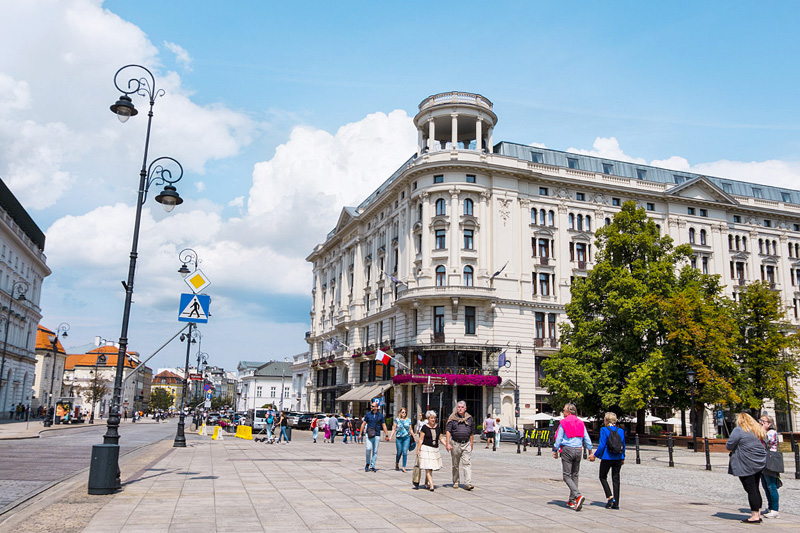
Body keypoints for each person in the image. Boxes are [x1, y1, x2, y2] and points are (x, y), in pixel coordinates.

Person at [727, 412, 767, 524]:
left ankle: (754, 516)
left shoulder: (739, 430)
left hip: (745, 464)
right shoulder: (757, 430)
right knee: (755, 488)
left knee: (751, 490)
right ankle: (758, 513)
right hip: (759, 463)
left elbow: (729, 445)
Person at [552, 403, 592, 511]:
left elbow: (559, 438)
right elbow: (587, 438)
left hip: (567, 449)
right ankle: (572, 500)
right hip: (579, 450)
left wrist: (555, 449)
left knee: (566, 475)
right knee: (575, 475)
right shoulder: (581, 422)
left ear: (569, 412)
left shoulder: (563, 423)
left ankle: (578, 495)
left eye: (564, 410)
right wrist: (590, 450)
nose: (563, 412)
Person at [589, 412, 625, 509]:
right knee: (616, 479)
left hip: (607, 457)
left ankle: (610, 496)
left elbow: (602, 445)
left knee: (602, 476)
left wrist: (595, 455)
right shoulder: (621, 431)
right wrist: (623, 457)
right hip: (618, 456)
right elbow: (623, 445)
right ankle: (616, 503)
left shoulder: (604, 429)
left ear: (606, 420)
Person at [445, 401, 475, 490]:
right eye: (458, 407)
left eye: (462, 407)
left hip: (466, 443)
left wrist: (471, 443)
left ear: (465, 408)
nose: (460, 408)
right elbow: (448, 431)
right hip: (455, 443)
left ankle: (468, 483)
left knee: (467, 463)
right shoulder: (452, 418)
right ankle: (456, 481)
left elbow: (472, 432)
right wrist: (447, 443)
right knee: (455, 464)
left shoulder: (469, 418)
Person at [415, 410, 444, 491]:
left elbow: (441, 438)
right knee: (428, 467)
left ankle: (426, 483)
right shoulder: (424, 427)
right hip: (426, 448)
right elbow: (421, 439)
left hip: (434, 449)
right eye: (431, 418)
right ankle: (431, 485)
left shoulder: (437, 427)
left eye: (434, 418)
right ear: (428, 418)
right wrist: (418, 450)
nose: (433, 420)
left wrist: (447, 445)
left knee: (430, 468)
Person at [759, 414, 781, 519]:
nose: (761, 423)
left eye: (763, 421)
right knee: (765, 485)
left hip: (771, 460)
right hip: (764, 460)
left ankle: (775, 509)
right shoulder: (765, 432)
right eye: (760, 421)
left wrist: (762, 429)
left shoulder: (772, 432)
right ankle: (770, 507)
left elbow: (767, 440)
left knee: (771, 486)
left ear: (769, 423)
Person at [360, 400, 390, 472]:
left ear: (376, 407)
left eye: (373, 406)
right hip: (369, 434)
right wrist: (360, 434)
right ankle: (367, 463)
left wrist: (386, 435)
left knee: (375, 451)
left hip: (377, 434)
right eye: (371, 406)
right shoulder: (368, 414)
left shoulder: (380, 415)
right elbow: (363, 424)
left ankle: (372, 465)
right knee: (368, 448)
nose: (371, 407)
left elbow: (384, 425)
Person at [391, 407, 413, 472]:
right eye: (403, 412)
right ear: (400, 412)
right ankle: (397, 462)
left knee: (405, 452)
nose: (404, 413)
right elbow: (394, 429)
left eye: (405, 412)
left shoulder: (408, 420)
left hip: (406, 437)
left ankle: (404, 466)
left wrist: (414, 437)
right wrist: (390, 437)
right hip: (399, 438)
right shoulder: (396, 420)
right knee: (399, 452)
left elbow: (410, 429)